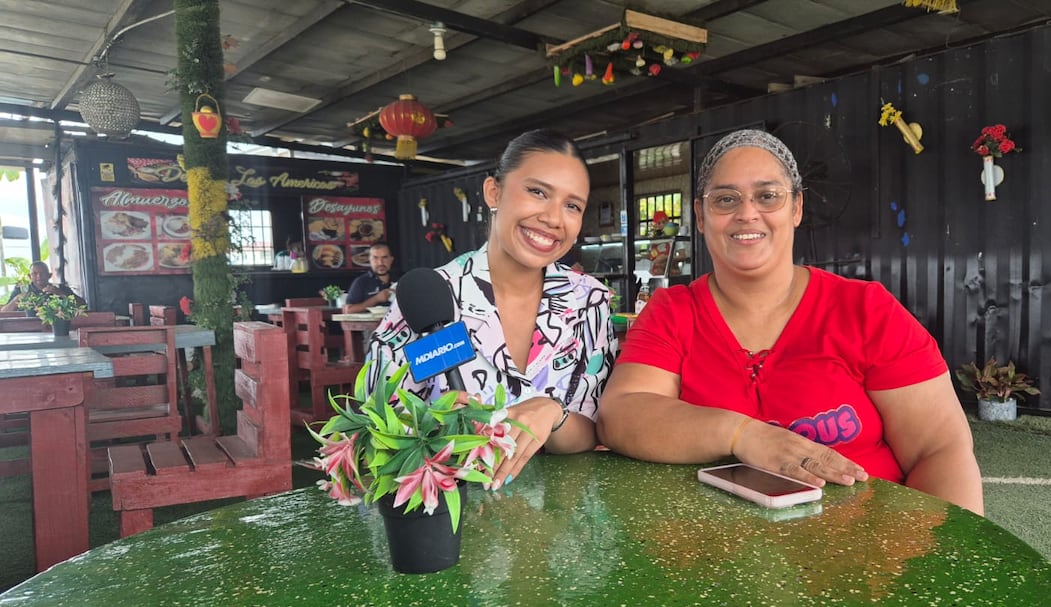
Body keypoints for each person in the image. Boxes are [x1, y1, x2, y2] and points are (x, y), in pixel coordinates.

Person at [596, 129, 983, 515]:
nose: (747, 213)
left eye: (767, 196)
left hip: (863, 555)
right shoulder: (672, 311)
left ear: (796, 208)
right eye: (726, 199)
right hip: (714, 560)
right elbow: (623, 414)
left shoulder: (865, 309)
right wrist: (741, 435)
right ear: (700, 215)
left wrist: (949, 558)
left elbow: (939, 448)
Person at [367, 129, 618, 489]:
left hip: (555, 527)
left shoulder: (589, 302)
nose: (553, 217)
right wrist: (432, 427)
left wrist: (554, 414)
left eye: (572, 205)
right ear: (494, 192)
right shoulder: (431, 296)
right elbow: (375, 429)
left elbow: (591, 433)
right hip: (449, 516)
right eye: (537, 192)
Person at [343, 242, 395, 314]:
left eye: (384, 257)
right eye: (375, 258)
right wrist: (376, 299)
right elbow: (348, 310)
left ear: (391, 259)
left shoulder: (401, 280)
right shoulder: (361, 282)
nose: (380, 263)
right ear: (369, 260)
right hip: (369, 324)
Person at [1, 261, 72, 312]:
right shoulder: (21, 289)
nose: (39, 276)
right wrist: (17, 299)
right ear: (29, 276)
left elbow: (82, 305)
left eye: (42, 273)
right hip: (26, 327)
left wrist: (61, 294)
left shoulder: (60, 288)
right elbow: (4, 312)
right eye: (35, 273)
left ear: (49, 275)